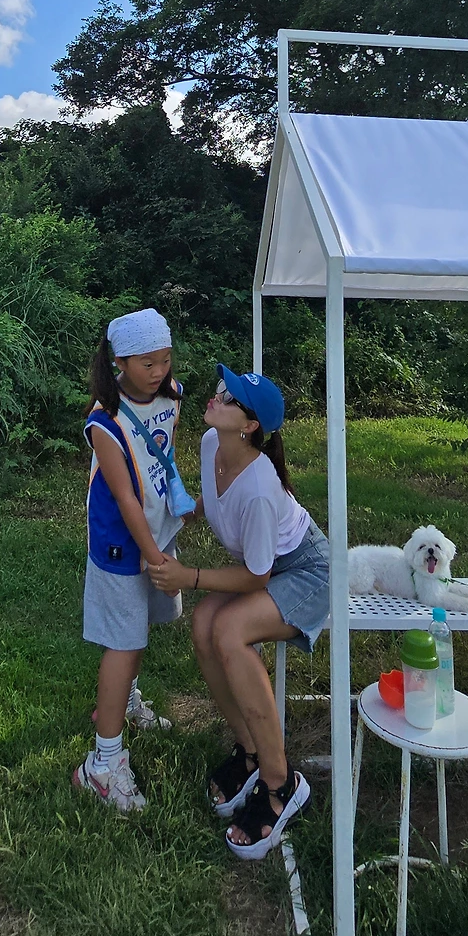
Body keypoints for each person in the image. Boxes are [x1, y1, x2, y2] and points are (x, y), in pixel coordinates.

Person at [148, 366, 329, 860]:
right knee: (203, 624)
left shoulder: (261, 488)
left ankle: (280, 783)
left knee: (228, 631)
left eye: (230, 399)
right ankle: (248, 751)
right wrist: (192, 508)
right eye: (221, 390)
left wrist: (190, 576)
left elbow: (256, 576)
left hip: (308, 572)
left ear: (249, 426)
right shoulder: (212, 443)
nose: (216, 398)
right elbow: (216, 496)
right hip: (267, 566)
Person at [73, 307, 184, 812]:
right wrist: (155, 557)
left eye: (165, 359)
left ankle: (124, 700)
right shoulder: (104, 422)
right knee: (123, 641)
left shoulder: (172, 394)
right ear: (120, 362)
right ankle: (102, 763)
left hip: (157, 532)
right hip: (122, 542)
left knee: (137, 631)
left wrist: (176, 507)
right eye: (147, 363)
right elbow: (124, 498)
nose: (159, 371)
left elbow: (164, 455)